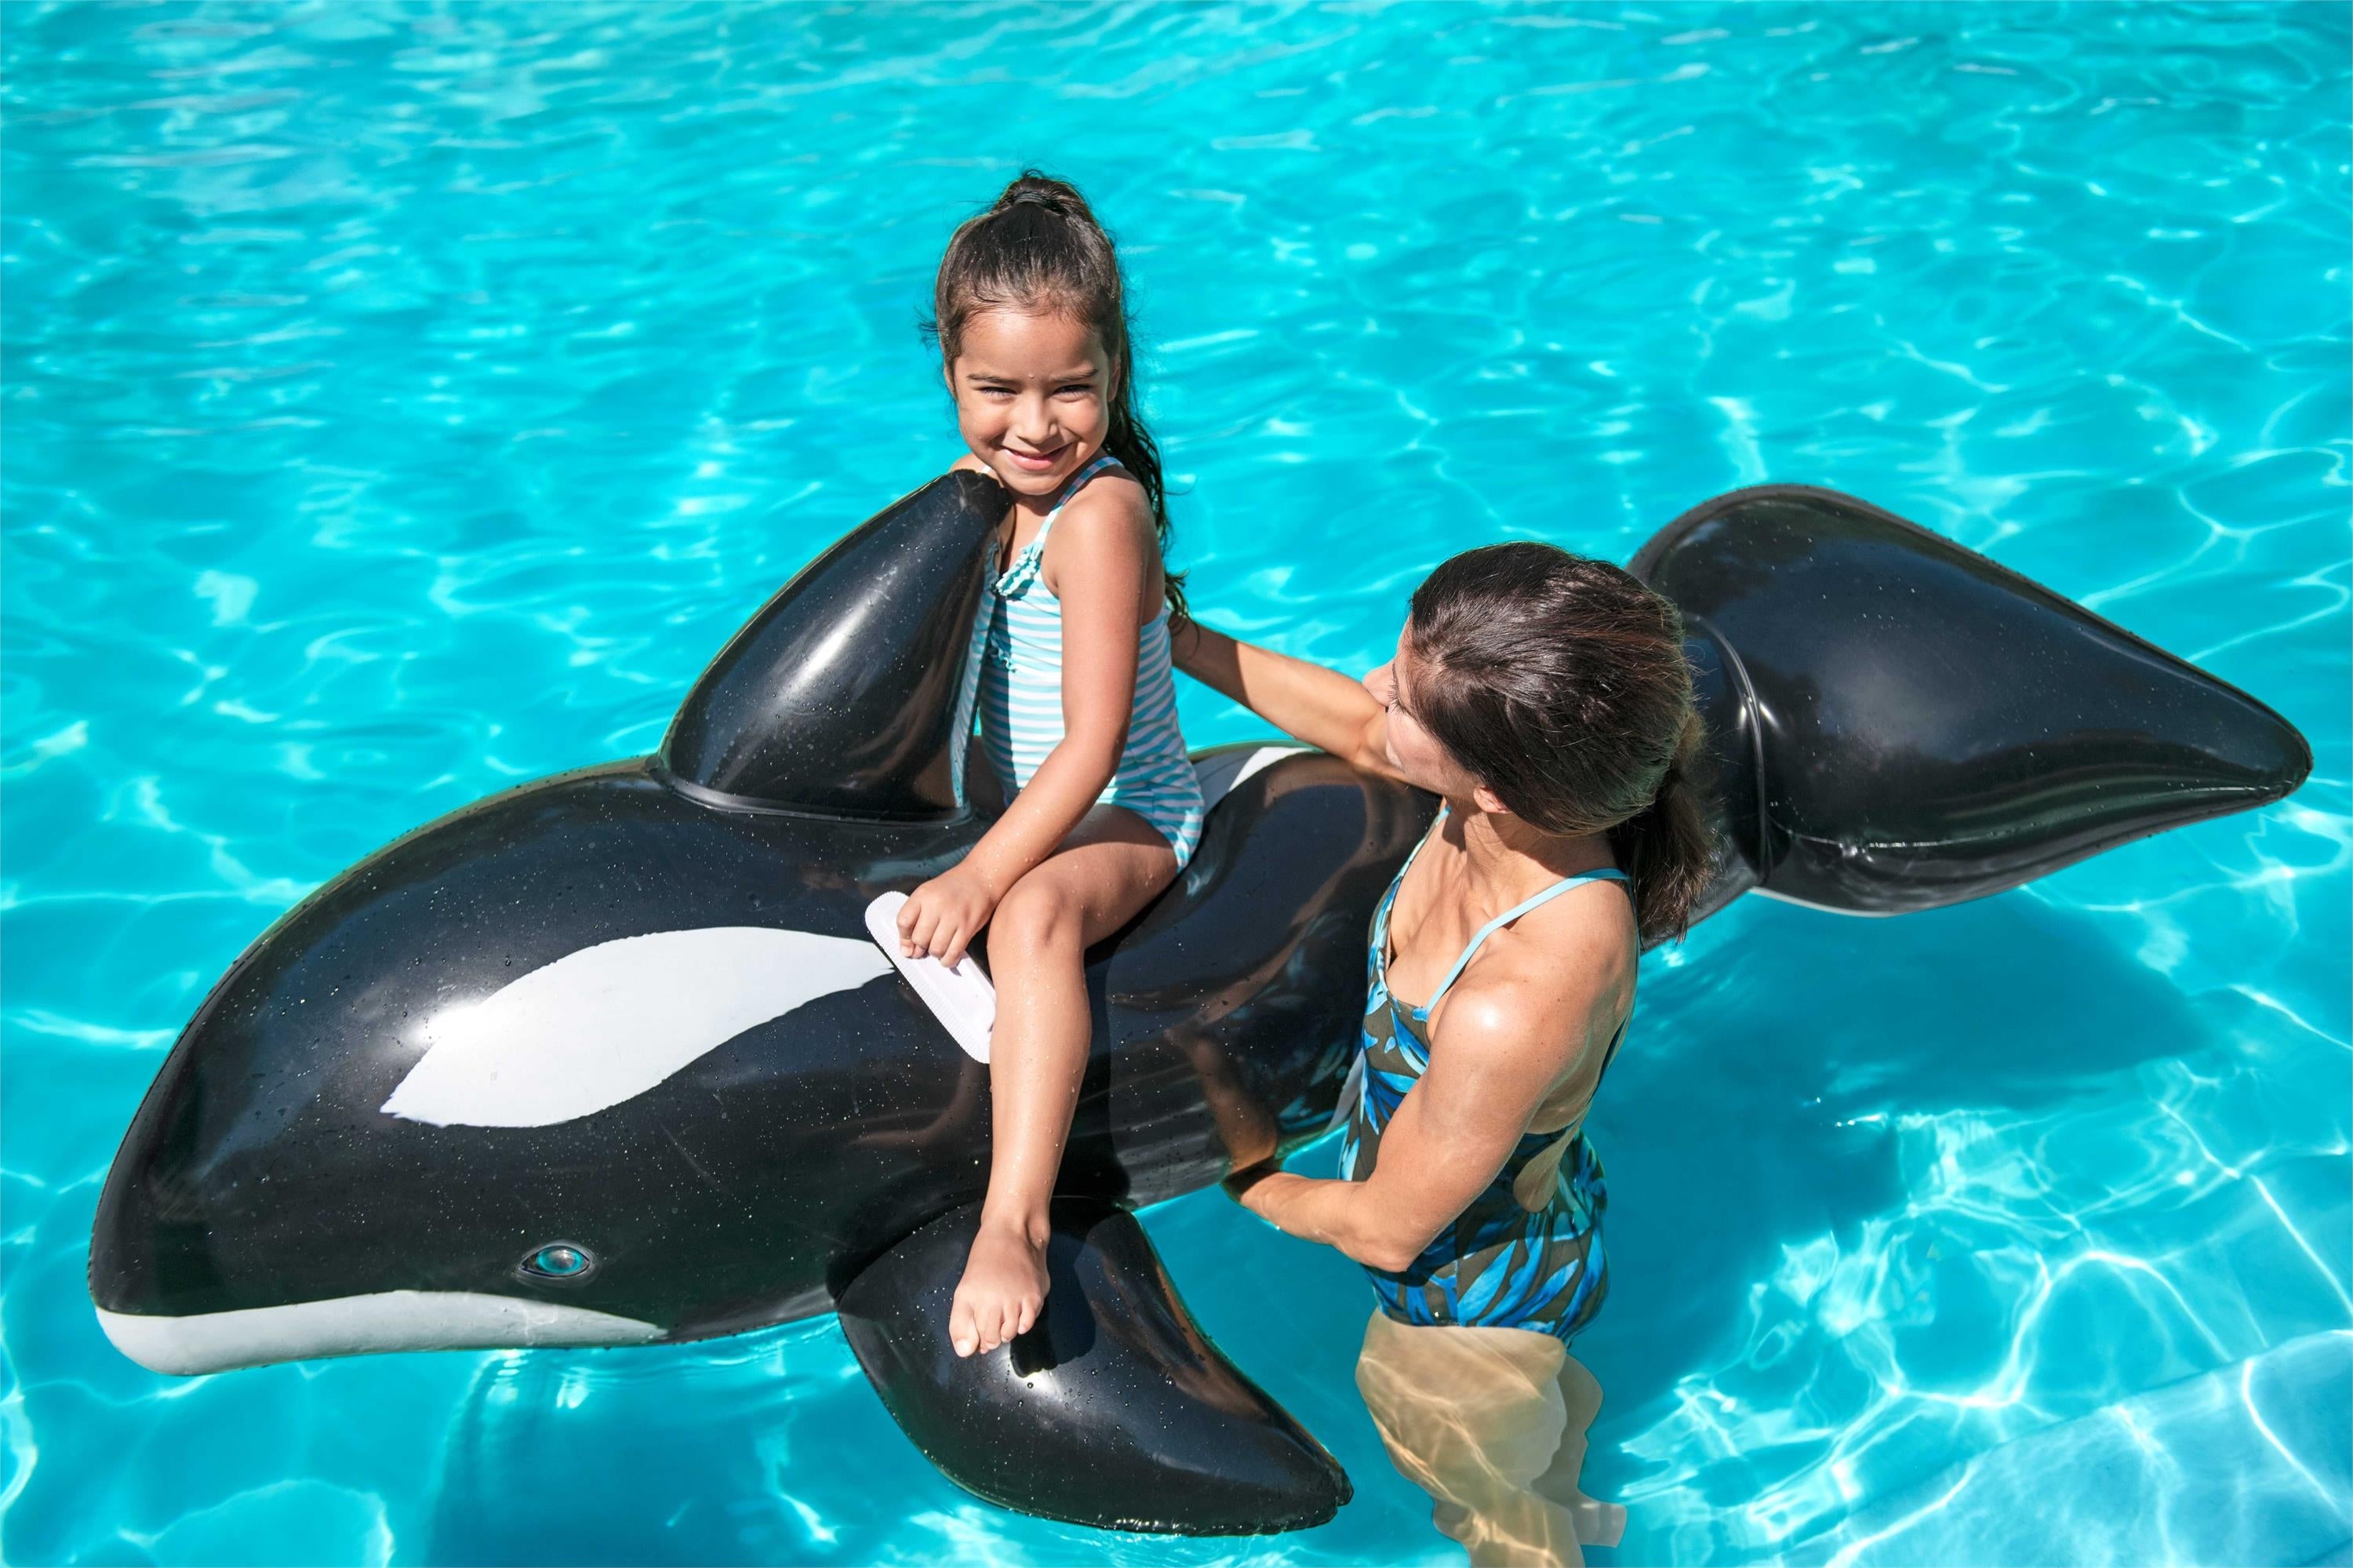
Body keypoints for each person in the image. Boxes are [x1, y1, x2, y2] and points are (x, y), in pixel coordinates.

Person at [1173, 543, 1715, 1566]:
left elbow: (1387, 1232)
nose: (1375, 683)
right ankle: (1557, 1486)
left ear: (1498, 785)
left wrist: (1243, 1177)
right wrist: (1179, 640)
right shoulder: (1522, 815)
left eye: (1407, 696)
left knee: (1495, 1529)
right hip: (1537, 1230)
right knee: (1528, 1478)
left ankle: (1538, 1512)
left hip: (1462, 1320)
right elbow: (1353, 724)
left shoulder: (1521, 991)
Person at [891, 172, 1205, 1360]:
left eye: (1070, 389)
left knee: (1029, 920)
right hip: (1027, 801)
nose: (1035, 425)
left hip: (1128, 808)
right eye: (997, 391)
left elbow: (1094, 745)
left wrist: (984, 875)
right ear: (951, 376)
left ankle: (1014, 1220)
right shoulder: (979, 497)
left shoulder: (1099, 518)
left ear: (1115, 374)